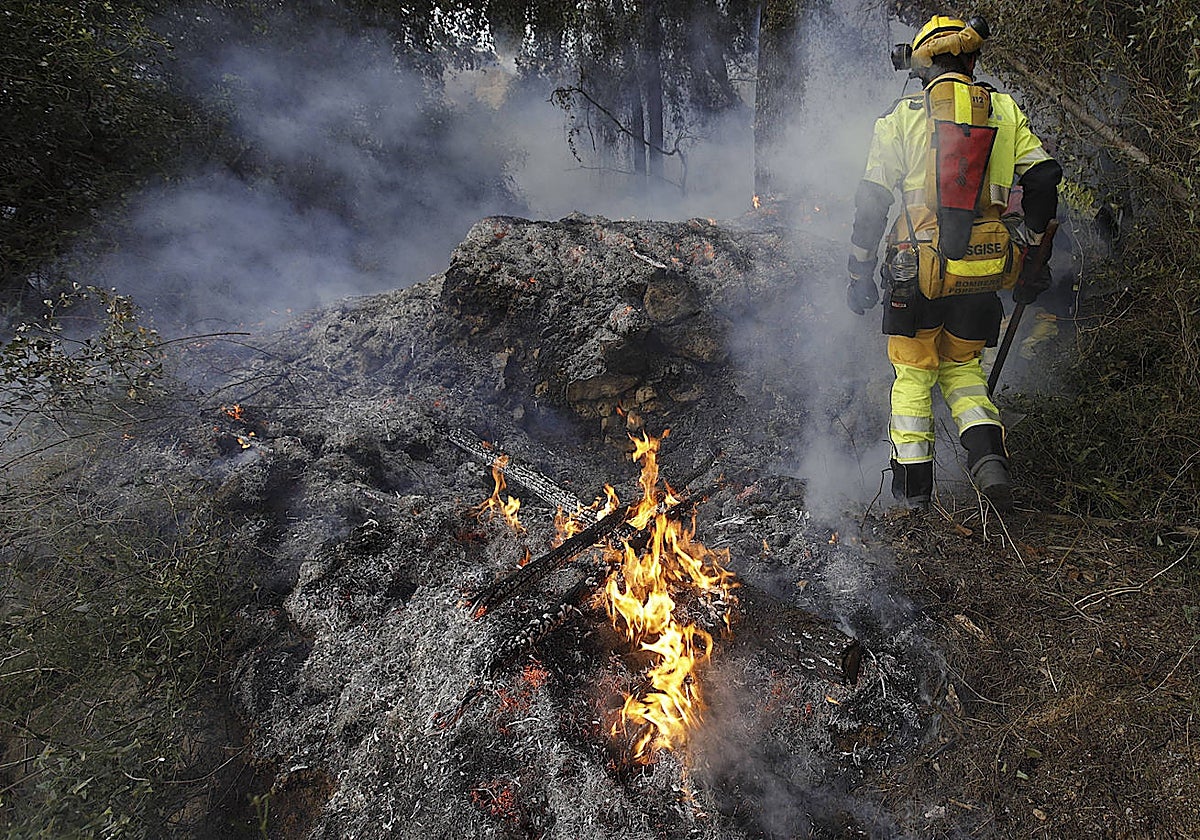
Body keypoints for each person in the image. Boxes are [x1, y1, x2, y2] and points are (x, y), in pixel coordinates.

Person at [846, 14, 1062, 511]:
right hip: (982, 274)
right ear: (971, 59)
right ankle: (989, 466)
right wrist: (1027, 240)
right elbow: (1046, 178)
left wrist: (859, 273)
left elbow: (871, 203)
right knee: (964, 371)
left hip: (917, 275)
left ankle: (912, 503)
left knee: (914, 376)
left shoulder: (901, 119)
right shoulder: (1003, 111)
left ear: (923, 67)